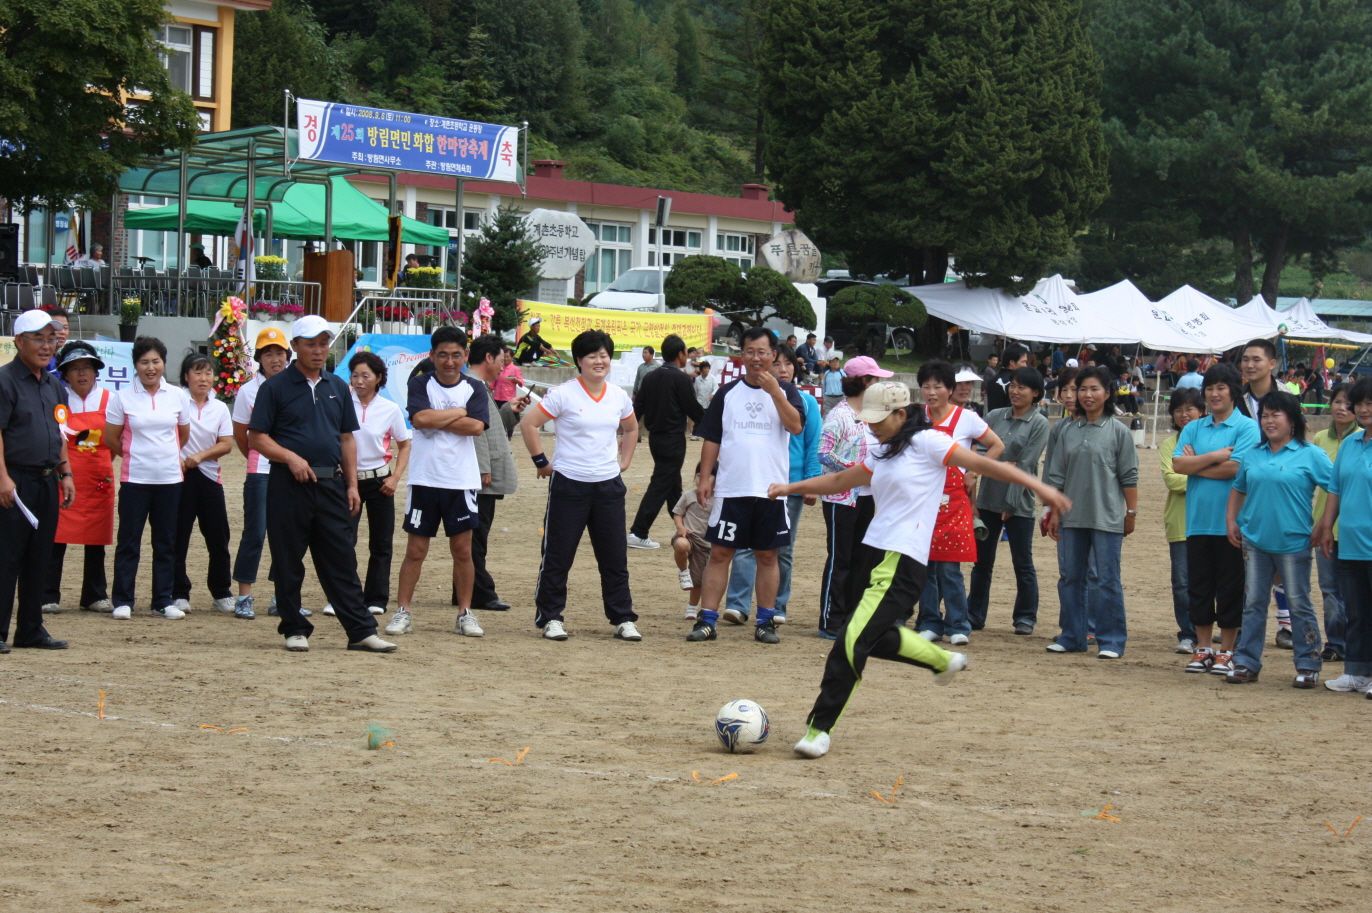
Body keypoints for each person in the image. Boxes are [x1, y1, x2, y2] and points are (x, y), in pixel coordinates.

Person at [772, 381, 1072, 759]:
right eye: (868, 420)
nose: (871, 427)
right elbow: (839, 480)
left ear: (901, 414)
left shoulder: (929, 442)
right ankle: (940, 660)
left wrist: (1042, 489)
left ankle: (819, 729)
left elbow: (986, 464)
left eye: (878, 420)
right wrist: (789, 487)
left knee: (850, 641)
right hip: (872, 553)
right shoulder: (883, 449)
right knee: (870, 635)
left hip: (902, 560)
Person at [247, 315, 397, 654]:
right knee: (288, 559)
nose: (318, 350)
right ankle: (294, 628)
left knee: (341, 558)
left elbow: (346, 438)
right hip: (288, 483)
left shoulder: (337, 387)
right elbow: (256, 437)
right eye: (311, 344)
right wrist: (290, 458)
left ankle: (361, 631)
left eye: (324, 343)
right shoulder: (275, 387)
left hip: (331, 484)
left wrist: (353, 485)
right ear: (295, 346)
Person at [521, 329, 641, 641]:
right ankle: (550, 617)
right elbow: (529, 423)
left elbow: (631, 428)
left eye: (604, 355)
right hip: (569, 486)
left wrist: (624, 462)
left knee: (614, 558)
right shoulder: (564, 394)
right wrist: (541, 462)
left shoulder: (618, 395)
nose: (599, 361)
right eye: (592, 356)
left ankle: (623, 618)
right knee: (558, 556)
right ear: (579, 360)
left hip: (608, 487)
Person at [688, 327, 806, 645]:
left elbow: (796, 427)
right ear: (741, 355)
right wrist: (705, 477)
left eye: (762, 352)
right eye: (750, 352)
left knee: (768, 555)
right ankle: (707, 619)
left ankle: (765, 621)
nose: (756, 358)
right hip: (732, 488)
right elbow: (712, 437)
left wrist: (775, 392)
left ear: (772, 355)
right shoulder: (728, 393)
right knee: (720, 553)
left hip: (770, 489)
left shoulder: (787, 391)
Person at [386, 326, 489, 638]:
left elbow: (476, 427)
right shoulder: (420, 382)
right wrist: (458, 412)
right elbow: (419, 420)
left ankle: (465, 613)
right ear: (432, 355)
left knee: (463, 550)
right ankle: (403, 611)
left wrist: (438, 418)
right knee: (416, 550)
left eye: (456, 355)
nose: (449, 361)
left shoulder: (474, 387)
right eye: (442, 355)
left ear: (465, 356)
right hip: (424, 478)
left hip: (461, 480)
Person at [1225, 390, 1331, 686]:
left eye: (1276, 415)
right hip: (1255, 541)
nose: (1269, 421)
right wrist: (1231, 520)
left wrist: (1324, 524)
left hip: (1294, 542)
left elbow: (1336, 488)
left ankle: (1308, 663)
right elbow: (1239, 488)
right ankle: (1246, 662)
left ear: (1293, 420)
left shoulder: (1311, 454)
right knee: (1253, 603)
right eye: (1265, 416)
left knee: (1299, 603)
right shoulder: (1253, 454)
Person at [1043, 365, 1139, 658]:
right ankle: (1072, 636)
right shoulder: (1066, 431)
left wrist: (1131, 512)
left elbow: (1129, 476)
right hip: (1072, 517)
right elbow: (1057, 476)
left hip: (1107, 517)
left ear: (1107, 393)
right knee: (1071, 578)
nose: (1087, 394)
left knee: (1107, 580)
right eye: (1082, 389)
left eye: (1094, 389)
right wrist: (1054, 513)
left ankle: (1111, 641)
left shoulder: (1119, 431)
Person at [722, 345, 821, 627]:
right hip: (754, 482)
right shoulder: (747, 397)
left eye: (788, 364)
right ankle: (737, 605)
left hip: (790, 485)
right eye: (777, 364)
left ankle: (777, 606)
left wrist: (810, 483)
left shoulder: (806, 402)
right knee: (743, 546)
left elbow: (812, 444)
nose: (783, 369)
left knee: (782, 549)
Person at [1172, 363, 1260, 675]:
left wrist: (1196, 464)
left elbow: (1236, 468)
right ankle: (1204, 648)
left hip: (1232, 523)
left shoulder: (1247, 427)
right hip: (1197, 521)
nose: (1214, 393)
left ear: (1234, 391)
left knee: (1231, 587)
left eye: (1221, 387)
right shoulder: (1194, 427)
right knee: (1199, 587)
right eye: (1209, 388)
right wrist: (1215, 457)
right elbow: (1178, 465)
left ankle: (1227, 650)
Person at [914, 360, 1004, 645]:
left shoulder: (966, 418)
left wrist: (974, 473)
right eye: (926, 386)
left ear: (949, 389)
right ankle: (930, 622)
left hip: (953, 502)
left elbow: (997, 445)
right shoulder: (916, 416)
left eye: (937, 386)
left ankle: (958, 625)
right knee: (924, 567)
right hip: (922, 500)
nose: (931, 392)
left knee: (950, 568)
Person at [0, 310, 75, 651]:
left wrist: (66, 473)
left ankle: (30, 629)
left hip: (47, 480)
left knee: (39, 557)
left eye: (52, 339)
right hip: (14, 481)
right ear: (19, 341)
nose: (47, 346)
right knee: (7, 557)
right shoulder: (5, 381)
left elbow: (60, 433)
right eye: (39, 339)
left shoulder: (54, 385)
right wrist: (3, 477)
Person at [105, 336, 191, 620]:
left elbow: (182, 435)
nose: (150, 368)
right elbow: (111, 438)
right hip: (135, 481)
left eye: (156, 361)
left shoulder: (177, 395)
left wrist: (164, 457)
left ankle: (162, 601)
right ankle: (123, 601)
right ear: (135, 365)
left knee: (165, 542)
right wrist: (135, 455)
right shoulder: (122, 397)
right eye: (144, 362)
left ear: (164, 363)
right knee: (129, 541)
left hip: (170, 480)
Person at [968, 365, 1050, 635]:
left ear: (1035, 393)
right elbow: (979, 455)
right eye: (1012, 385)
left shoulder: (1039, 423)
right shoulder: (994, 416)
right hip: (988, 499)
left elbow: (1025, 465)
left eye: (1022, 387)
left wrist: (1011, 503)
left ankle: (1025, 617)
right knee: (982, 563)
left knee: (1022, 563)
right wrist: (997, 466)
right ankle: (974, 615)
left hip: (1019, 504)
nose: (1015, 391)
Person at [816, 357, 891, 639]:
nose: (879, 384)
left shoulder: (875, 415)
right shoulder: (839, 415)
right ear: (863, 382)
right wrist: (856, 472)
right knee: (841, 559)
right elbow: (824, 453)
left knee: (862, 559)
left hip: (868, 497)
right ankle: (830, 620)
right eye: (875, 379)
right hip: (841, 498)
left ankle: (851, 617)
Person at [334, 351, 410, 619]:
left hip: (379, 481)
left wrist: (395, 477)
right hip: (346, 481)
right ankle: (342, 597)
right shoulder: (341, 404)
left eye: (365, 376)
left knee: (381, 543)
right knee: (343, 540)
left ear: (379, 378)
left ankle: (376, 598)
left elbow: (404, 444)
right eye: (355, 375)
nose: (359, 381)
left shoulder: (390, 409)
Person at [42, 342, 114, 615]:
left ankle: (95, 595)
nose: (81, 373)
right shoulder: (59, 400)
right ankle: (48, 594)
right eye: (74, 369)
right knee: (55, 536)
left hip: (98, 478)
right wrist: (65, 471)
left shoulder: (110, 399)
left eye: (86, 367)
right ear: (65, 374)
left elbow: (116, 439)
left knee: (97, 538)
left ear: (96, 371)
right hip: (65, 475)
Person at [231, 327, 293, 620]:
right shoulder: (247, 391)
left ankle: (281, 597)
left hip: (290, 471)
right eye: (268, 354)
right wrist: (258, 458)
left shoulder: (296, 386)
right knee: (254, 533)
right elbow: (241, 435)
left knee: (286, 535)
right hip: (260, 472)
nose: (275, 359)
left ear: (288, 355)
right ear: (259, 358)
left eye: (279, 353)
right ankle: (244, 596)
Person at [1315, 376, 1372, 694]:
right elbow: (1335, 488)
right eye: (1358, 404)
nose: (1363, 409)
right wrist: (1326, 527)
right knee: (1356, 610)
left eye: (1369, 403)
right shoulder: (1350, 444)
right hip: (1349, 541)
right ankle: (1357, 671)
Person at [171, 353, 235, 615]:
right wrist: (178, 458)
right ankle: (178, 593)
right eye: (197, 372)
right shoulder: (176, 402)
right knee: (178, 537)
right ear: (186, 376)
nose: (203, 378)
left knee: (218, 537)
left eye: (208, 373)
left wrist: (199, 456)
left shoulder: (219, 408)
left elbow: (226, 444)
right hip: (179, 476)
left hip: (209, 476)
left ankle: (221, 592)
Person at [629, 335, 704, 549]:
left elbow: (637, 409)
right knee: (661, 483)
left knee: (672, 485)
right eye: (686, 353)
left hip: (655, 439)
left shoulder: (650, 377)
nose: (687, 356)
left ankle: (686, 528)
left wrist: (627, 433)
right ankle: (638, 531)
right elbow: (693, 409)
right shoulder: (682, 379)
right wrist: (714, 426)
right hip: (673, 439)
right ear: (680, 354)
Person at [465, 334, 518, 614]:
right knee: (476, 535)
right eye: (501, 359)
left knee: (476, 534)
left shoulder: (477, 385)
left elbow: (489, 426)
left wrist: (509, 411)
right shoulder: (472, 385)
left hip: (481, 471)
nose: (502, 366)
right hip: (480, 475)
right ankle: (480, 591)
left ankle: (464, 588)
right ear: (488, 358)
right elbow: (476, 432)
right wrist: (483, 467)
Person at [1158, 387, 1205, 655]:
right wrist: (1208, 470)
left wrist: (1190, 468)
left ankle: (1222, 630)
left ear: (1202, 411)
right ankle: (1189, 633)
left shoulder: (1213, 439)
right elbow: (1173, 481)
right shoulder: (1169, 445)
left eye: (1190, 409)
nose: (1184, 414)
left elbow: (1231, 473)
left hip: (1213, 521)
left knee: (1218, 581)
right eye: (1178, 410)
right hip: (1180, 523)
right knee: (1182, 584)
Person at [1312, 382, 1354, 662]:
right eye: (1337, 401)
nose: (1342, 408)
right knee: (1328, 589)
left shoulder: (1362, 439)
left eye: (1349, 404)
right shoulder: (1319, 439)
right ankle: (1335, 643)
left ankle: (1355, 642)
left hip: (1352, 528)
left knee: (1354, 590)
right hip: (1323, 526)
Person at [672, 463, 713, 620]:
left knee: (698, 579)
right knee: (681, 545)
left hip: (705, 543)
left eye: (708, 477)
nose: (701, 480)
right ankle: (683, 572)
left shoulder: (720, 499)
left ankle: (692, 607)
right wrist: (680, 528)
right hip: (688, 536)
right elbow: (678, 513)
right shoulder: (689, 495)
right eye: (698, 476)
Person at [987, 345, 1030, 413]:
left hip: (992, 418)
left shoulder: (991, 380)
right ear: (1012, 362)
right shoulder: (1017, 382)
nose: (1025, 365)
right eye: (1023, 362)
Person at [43, 308, 72, 378]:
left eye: (65, 328)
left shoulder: (63, 359)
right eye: (57, 328)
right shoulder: (41, 361)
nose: (62, 332)